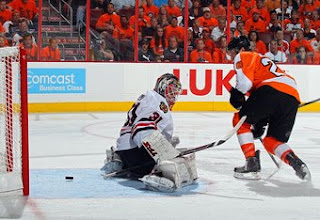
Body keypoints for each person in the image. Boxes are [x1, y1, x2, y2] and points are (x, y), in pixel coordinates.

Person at [227, 36, 311, 181]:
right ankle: (297, 163)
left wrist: (236, 95)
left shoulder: (244, 55)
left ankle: (251, 164)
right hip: (291, 96)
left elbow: (245, 84)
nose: (231, 57)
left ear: (240, 49)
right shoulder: (262, 60)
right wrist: (260, 121)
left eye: (232, 52)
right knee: (272, 141)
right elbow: (262, 99)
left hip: (270, 90)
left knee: (240, 120)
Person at [101, 73, 198, 192]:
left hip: (124, 151)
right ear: (162, 87)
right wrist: (162, 151)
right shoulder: (159, 103)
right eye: (170, 91)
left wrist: (166, 142)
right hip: (136, 154)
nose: (173, 96)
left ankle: (117, 159)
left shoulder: (148, 96)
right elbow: (142, 128)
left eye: (175, 93)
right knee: (176, 164)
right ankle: (155, 175)